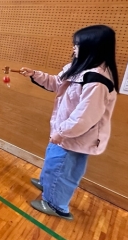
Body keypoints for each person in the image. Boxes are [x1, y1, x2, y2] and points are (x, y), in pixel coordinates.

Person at [17, 24, 119, 221]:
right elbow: (57, 83)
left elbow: (84, 117)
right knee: (53, 162)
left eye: (77, 45)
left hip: (73, 136)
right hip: (63, 131)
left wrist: (62, 132)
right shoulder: (79, 68)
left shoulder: (96, 81)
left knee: (63, 170)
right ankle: (48, 185)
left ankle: (56, 205)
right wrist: (34, 74)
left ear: (92, 47)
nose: (74, 48)